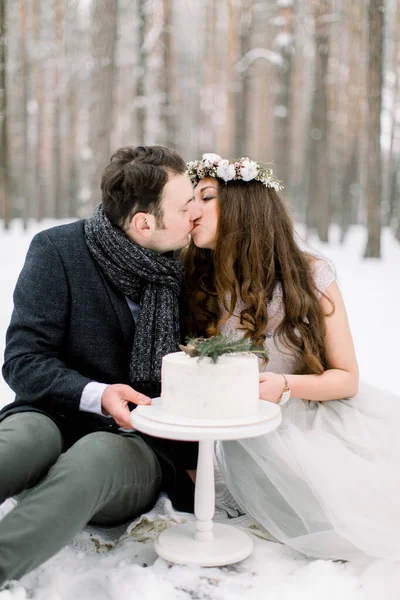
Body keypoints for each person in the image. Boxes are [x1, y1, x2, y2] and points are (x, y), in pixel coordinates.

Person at [181, 153, 400, 561]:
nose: (191, 209)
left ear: (243, 207)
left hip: (310, 420)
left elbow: (346, 377)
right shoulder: (192, 277)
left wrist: (284, 385)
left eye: (205, 196)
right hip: (243, 436)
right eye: (190, 198)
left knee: (361, 511)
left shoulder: (310, 275)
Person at [0, 145, 201, 586]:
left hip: (136, 444)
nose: (196, 214)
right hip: (49, 414)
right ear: (144, 223)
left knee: (92, 458)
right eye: (186, 206)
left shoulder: (192, 269)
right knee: (14, 447)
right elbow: (23, 360)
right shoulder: (57, 250)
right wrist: (96, 393)